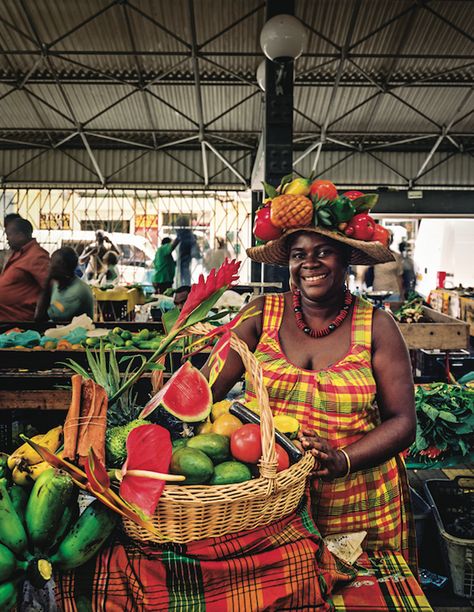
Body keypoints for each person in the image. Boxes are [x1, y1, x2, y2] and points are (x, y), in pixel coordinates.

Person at [203, 208, 418, 574]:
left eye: (323, 251)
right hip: (271, 505)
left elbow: (402, 421)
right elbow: (205, 392)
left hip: (359, 506)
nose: (310, 263)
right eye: (298, 254)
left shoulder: (377, 326)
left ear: (346, 258)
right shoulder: (259, 314)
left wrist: (342, 459)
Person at [0, 217, 50, 321]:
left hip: (20, 321)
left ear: (21, 235)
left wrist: (39, 315)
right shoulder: (18, 253)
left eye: (9, 234)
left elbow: (49, 286)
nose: (7, 239)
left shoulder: (37, 255)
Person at [35, 247, 94, 322]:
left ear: (62, 265)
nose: (49, 265)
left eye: (52, 262)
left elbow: (42, 318)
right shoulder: (58, 284)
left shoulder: (77, 291)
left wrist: (48, 279)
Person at [372, 231, 404, 301]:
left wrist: (402, 294)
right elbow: (362, 272)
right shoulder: (375, 255)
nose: (388, 241)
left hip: (394, 292)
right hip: (378, 292)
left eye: (390, 239)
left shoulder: (396, 256)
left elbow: (399, 277)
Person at [175, 217, 200, 286]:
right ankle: (185, 285)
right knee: (184, 270)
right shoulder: (189, 234)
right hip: (186, 256)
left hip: (184, 254)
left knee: (184, 270)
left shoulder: (183, 235)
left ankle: (185, 285)